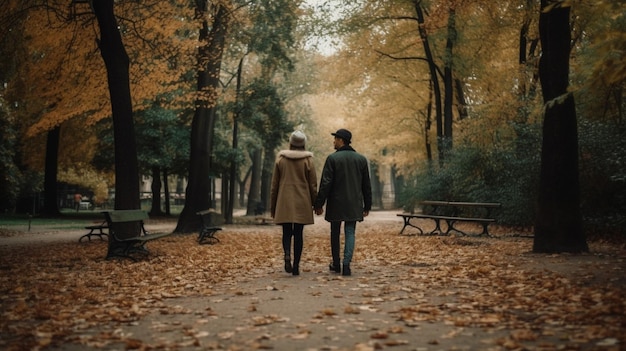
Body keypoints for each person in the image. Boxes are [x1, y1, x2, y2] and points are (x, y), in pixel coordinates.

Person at [314, 128, 372, 276]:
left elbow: (325, 183)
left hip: (336, 203)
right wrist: (367, 205)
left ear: (341, 140)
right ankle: (346, 264)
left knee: (335, 232)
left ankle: (336, 263)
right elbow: (366, 184)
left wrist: (319, 203)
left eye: (335, 139)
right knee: (350, 231)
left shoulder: (332, 159)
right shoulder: (361, 159)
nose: (333, 141)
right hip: (354, 203)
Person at [270, 131, 318, 276]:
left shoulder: (281, 160)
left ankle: (287, 255)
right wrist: (316, 204)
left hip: (284, 200)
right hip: (302, 200)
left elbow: (274, 185)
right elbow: (313, 185)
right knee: (298, 233)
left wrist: (273, 207)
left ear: (290, 143)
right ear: (304, 143)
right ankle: (296, 264)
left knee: (286, 232)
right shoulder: (308, 160)